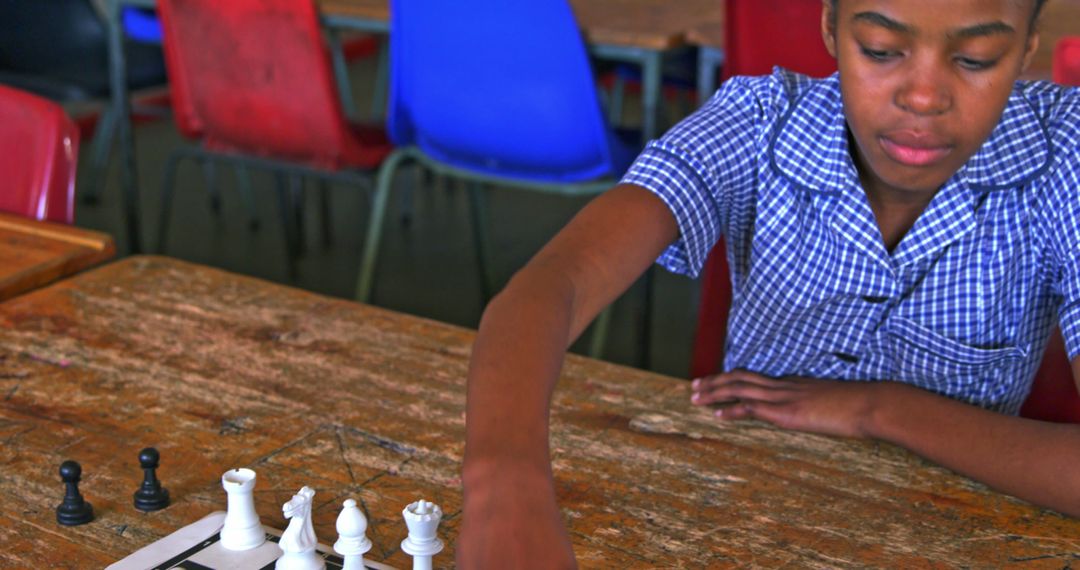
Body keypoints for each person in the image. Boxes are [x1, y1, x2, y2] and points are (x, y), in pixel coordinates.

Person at [458, 0, 1080, 567]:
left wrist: (881, 409)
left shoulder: (1066, 156)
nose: (922, 98)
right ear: (831, 27)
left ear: (1026, 49)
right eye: (882, 50)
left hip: (955, 535)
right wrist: (504, 484)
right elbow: (552, 286)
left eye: (976, 60)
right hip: (738, 517)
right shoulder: (756, 122)